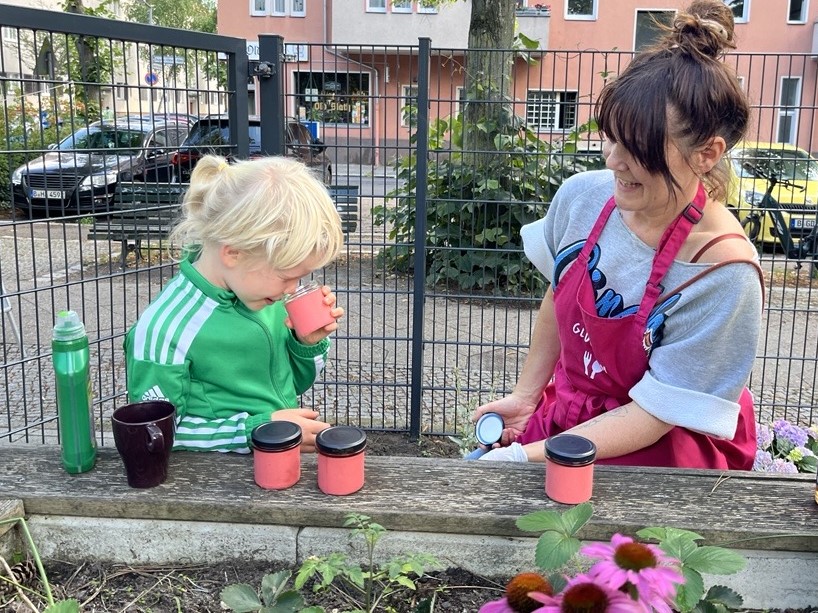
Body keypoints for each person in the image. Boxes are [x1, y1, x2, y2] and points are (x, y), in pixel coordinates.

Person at [472, 0, 763, 470]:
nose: (613, 161)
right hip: (574, 419)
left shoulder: (723, 274)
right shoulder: (583, 199)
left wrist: (527, 458)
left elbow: (655, 415)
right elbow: (558, 293)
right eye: (611, 137)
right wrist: (527, 398)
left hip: (660, 448)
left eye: (639, 149)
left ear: (707, 153)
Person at [124, 154, 345, 453]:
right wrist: (255, 431)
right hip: (211, 483)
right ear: (234, 253)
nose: (293, 290)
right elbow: (155, 435)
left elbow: (286, 387)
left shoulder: (261, 295)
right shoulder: (164, 331)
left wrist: (305, 345)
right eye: (286, 276)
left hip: (275, 460)